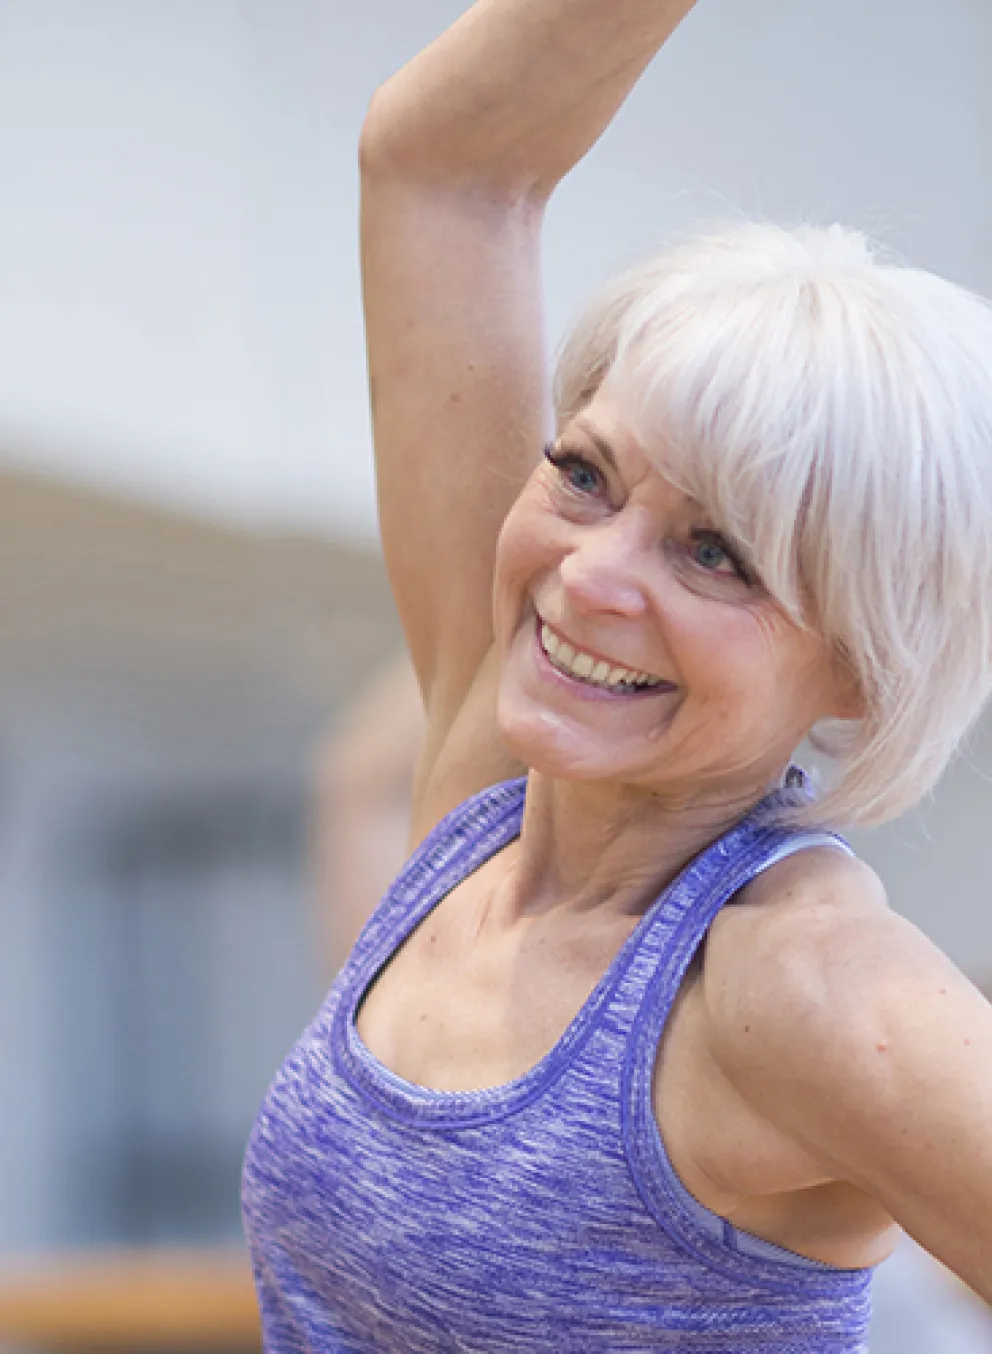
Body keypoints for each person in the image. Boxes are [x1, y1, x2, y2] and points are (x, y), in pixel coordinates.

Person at [242, 2, 992, 1349]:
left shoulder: (795, 987)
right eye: (582, 474)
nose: (590, 575)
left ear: (863, 671)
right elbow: (440, 167)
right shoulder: (488, 788)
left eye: (717, 553)